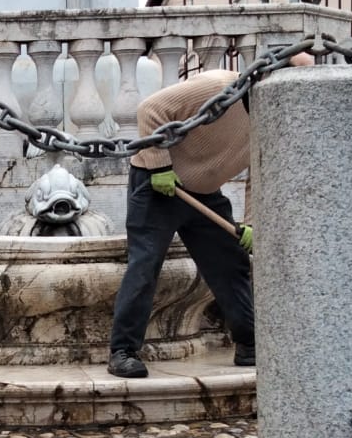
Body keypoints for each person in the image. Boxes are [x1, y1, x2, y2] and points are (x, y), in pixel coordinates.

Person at [106, 57, 309, 379]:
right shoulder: (217, 88)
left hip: (205, 192)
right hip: (158, 186)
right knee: (145, 265)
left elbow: (262, 172)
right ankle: (123, 351)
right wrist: (159, 166)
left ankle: (250, 345)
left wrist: (253, 224)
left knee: (231, 264)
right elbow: (150, 110)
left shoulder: (277, 119)